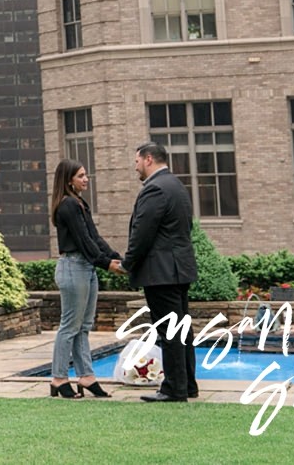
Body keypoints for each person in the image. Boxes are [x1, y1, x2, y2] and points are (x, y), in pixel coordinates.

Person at [123, 140, 199, 403]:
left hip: (161, 272)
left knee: (169, 331)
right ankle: (187, 384)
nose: (136, 168)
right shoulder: (177, 185)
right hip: (179, 269)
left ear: (148, 159)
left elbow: (142, 233)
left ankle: (173, 389)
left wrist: (127, 263)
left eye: (136, 162)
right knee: (181, 330)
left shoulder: (154, 189)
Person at [49, 159, 121, 398]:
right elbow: (83, 241)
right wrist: (106, 264)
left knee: (84, 327)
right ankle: (59, 379)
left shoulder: (79, 203)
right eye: (81, 176)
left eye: (85, 174)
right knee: (69, 326)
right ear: (69, 179)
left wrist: (116, 258)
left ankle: (87, 377)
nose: (86, 179)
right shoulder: (67, 205)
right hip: (73, 267)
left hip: (86, 268)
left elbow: (94, 237)